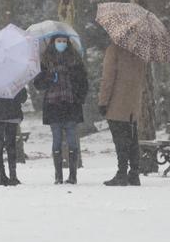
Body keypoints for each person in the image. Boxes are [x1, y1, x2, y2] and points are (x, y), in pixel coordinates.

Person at [33, 35, 90, 184]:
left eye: (64, 41)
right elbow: (38, 84)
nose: (62, 44)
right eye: (59, 41)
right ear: (53, 43)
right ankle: (58, 175)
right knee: (56, 139)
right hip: (54, 106)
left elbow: (83, 82)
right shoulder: (45, 62)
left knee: (72, 141)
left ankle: (73, 175)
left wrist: (80, 98)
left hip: (71, 105)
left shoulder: (75, 60)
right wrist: (50, 78)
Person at [99, 40, 148, 187]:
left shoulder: (114, 50)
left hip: (116, 102)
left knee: (120, 140)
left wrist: (103, 102)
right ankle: (134, 173)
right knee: (132, 139)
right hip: (133, 103)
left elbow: (108, 79)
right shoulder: (140, 52)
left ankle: (121, 173)